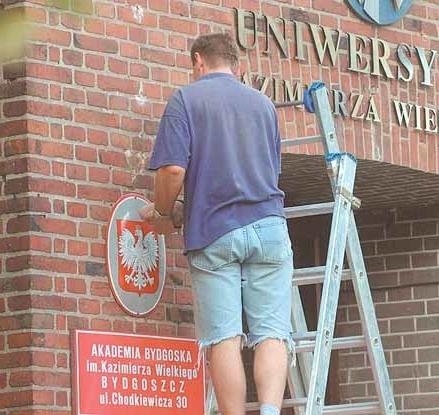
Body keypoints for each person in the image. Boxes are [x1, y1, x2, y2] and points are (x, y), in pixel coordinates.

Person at [140, 32, 294, 415]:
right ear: (236, 64)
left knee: (224, 338)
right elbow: (270, 170)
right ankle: (272, 410)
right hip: (269, 227)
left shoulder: (185, 101)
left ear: (197, 60)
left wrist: (163, 214)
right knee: (272, 332)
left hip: (215, 231)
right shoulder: (263, 105)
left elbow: (173, 169)